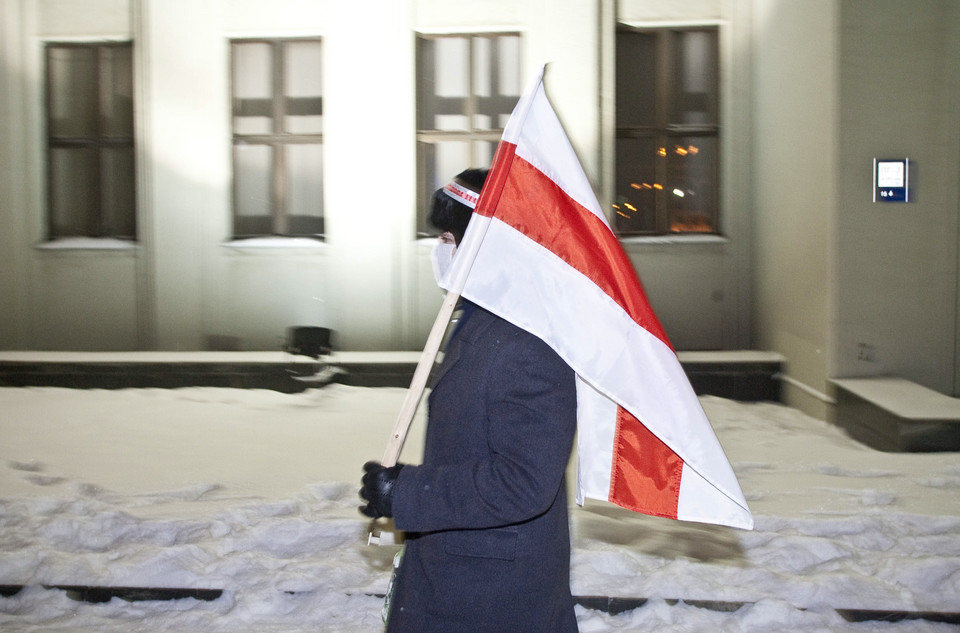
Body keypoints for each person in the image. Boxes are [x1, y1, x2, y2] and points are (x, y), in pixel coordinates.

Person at [360, 168, 580, 633]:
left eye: (447, 237)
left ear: (484, 246)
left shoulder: (526, 340)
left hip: (491, 595)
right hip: (460, 574)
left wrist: (407, 492)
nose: (440, 250)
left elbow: (523, 482)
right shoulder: (481, 322)